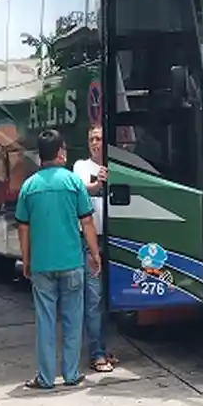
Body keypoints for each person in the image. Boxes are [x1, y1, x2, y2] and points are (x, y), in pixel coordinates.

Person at [15, 129, 102, 390]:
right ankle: (72, 373)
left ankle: (45, 378)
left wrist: (27, 260)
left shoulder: (29, 187)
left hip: (42, 265)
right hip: (72, 263)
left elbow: (23, 228)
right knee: (72, 319)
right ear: (61, 153)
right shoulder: (74, 183)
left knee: (45, 321)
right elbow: (87, 222)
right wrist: (95, 255)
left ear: (41, 156)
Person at [72, 125, 118, 373]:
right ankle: (96, 354)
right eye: (92, 139)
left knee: (110, 297)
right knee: (94, 298)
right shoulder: (81, 167)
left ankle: (104, 346)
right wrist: (97, 184)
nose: (95, 143)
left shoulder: (118, 166)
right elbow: (82, 190)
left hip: (116, 238)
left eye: (100, 138)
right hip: (91, 241)